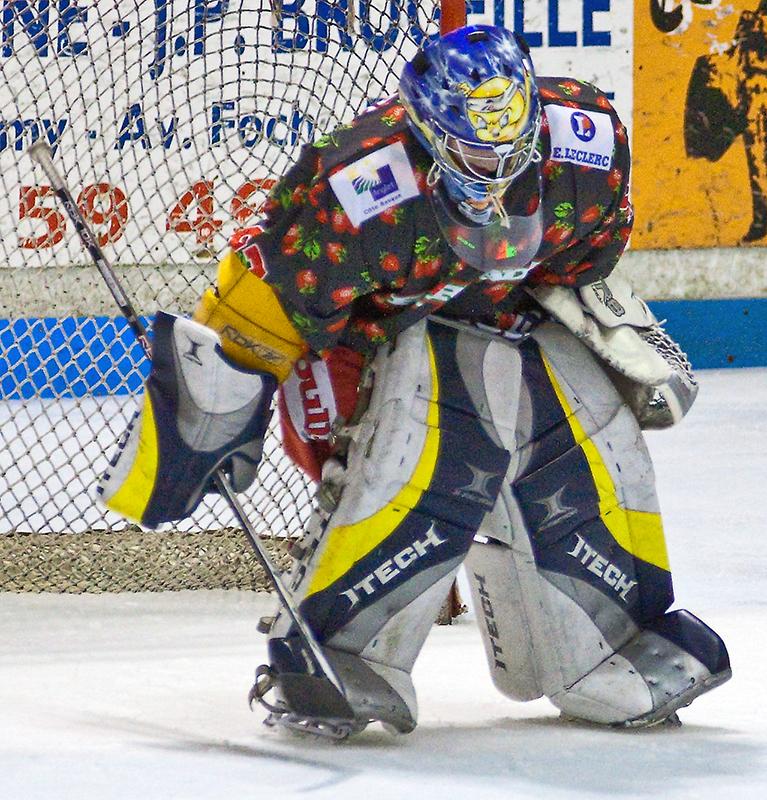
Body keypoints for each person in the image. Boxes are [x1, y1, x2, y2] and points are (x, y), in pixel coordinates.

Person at [98, 25, 731, 739]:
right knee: (424, 458)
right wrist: (210, 412)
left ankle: (607, 638)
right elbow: (262, 308)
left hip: (515, 306)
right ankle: (344, 644)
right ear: (426, 130)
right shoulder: (357, 183)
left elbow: (583, 256)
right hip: (370, 333)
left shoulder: (584, 140)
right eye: (471, 145)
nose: (494, 161)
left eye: (509, 140)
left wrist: (594, 316)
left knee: (591, 446)